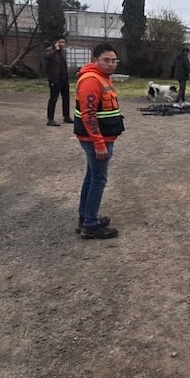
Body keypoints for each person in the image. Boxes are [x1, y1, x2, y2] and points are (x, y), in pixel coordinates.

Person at [73, 43, 124, 240]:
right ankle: (91, 225)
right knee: (98, 180)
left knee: (92, 177)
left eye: (114, 60)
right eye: (106, 60)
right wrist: (99, 144)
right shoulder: (91, 80)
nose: (111, 64)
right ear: (95, 60)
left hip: (102, 137)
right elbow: (88, 115)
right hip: (96, 139)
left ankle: (86, 217)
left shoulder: (101, 77)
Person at [43, 35, 72, 126]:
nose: (62, 44)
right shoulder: (49, 50)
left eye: (63, 42)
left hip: (64, 78)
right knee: (53, 98)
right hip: (55, 79)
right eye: (60, 42)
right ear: (56, 42)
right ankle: (50, 119)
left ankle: (66, 116)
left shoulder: (63, 52)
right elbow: (46, 57)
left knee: (66, 98)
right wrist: (55, 50)